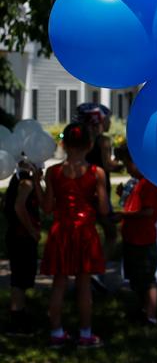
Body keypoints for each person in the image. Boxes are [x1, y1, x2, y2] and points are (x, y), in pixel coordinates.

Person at [39, 122, 108, 348]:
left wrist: (38, 187)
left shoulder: (53, 172)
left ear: (64, 144)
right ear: (89, 145)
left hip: (61, 232)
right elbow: (105, 209)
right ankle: (86, 333)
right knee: (84, 285)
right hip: (85, 233)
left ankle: (57, 332)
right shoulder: (96, 172)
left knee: (59, 283)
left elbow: (47, 208)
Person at [116, 143, 157, 326]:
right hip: (132, 239)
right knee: (136, 280)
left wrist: (123, 215)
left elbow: (148, 211)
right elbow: (134, 205)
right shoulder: (136, 184)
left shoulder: (148, 184)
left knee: (147, 280)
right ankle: (142, 310)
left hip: (144, 241)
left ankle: (150, 316)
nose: (127, 169)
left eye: (128, 164)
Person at [77, 103, 122, 261]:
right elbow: (108, 165)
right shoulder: (103, 141)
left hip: (83, 189)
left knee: (84, 231)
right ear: (100, 120)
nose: (110, 122)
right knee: (111, 233)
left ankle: (84, 266)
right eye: (108, 118)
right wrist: (124, 163)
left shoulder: (81, 140)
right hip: (100, 188)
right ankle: (98, 267)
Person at [3, 159, 43, 335]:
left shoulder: (16, 178)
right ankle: (17, 318)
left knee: (19, 277)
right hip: (21, 237)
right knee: (20, 279)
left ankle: (19, 312)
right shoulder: (25, 182)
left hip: (14, 235)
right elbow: (19, 207)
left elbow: (6, 203)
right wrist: (31, 229)